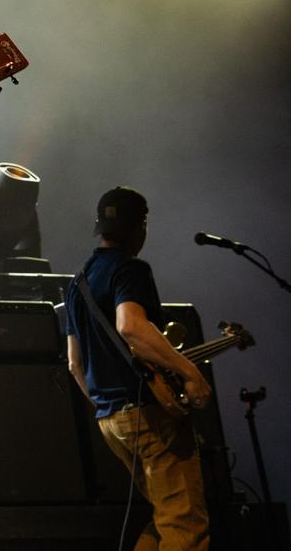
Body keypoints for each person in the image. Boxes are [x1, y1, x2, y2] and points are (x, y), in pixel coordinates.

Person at [65, 187, 211, 551]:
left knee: (164, 517)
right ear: (140, 225)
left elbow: (74, 364)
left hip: (111, 421)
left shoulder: (77, 283)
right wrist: (190, 373)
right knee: (185, 524)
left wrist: (106, 407)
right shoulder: (130, 269)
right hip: (146, 414)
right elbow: (130, 325)